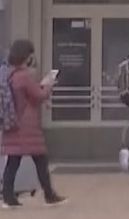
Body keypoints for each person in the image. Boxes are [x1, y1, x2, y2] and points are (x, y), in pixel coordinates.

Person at [0, 40, 65, 208]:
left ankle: (8, 197)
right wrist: (48, 86)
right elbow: (38, 96)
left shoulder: (8, 74)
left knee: (13, 161)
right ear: (26, 56)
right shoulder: (24, 76)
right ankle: (49, 195)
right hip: (27, 125)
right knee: (40, 159)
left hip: (11, 122)